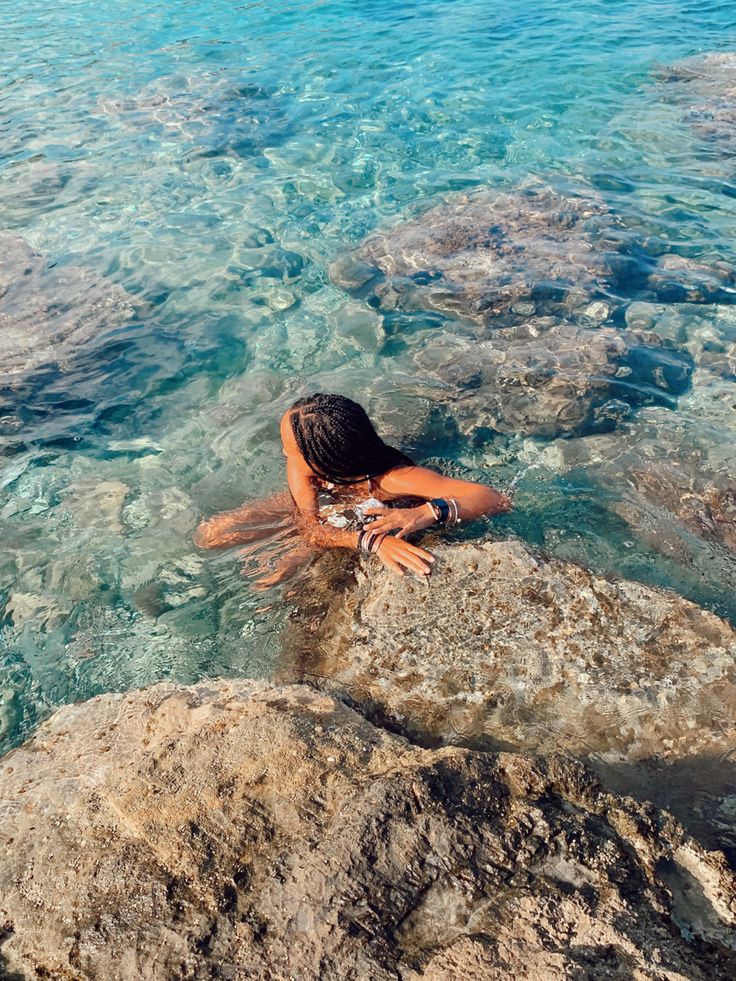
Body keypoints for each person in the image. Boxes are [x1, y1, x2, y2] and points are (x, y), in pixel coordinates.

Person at [194, 393, 510, 586]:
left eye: (290, 451)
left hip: (371, 505)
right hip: (336, 508)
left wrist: (425, 512)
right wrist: (371, 542)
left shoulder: (394, 480)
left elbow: (496, 499)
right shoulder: (303, 467)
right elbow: (308, 524)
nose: (284, 455)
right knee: (211, 536)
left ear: (323, 459)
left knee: (285, 578)